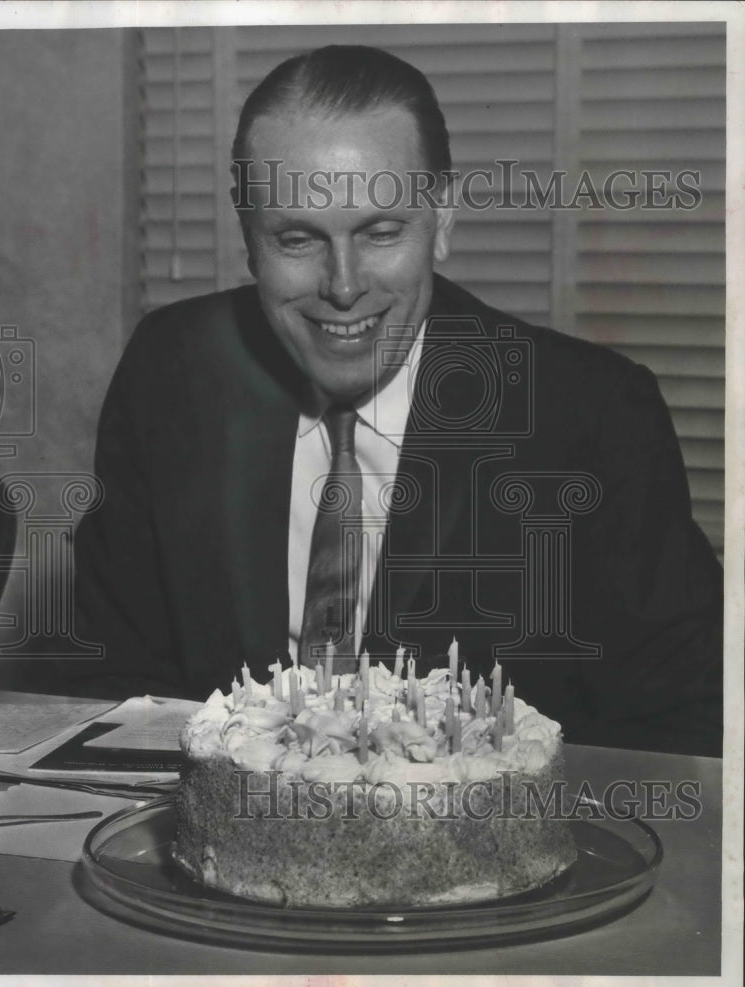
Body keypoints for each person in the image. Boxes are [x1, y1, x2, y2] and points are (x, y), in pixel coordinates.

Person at [71, 45, 722, 755]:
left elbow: (686, 728)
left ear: (441, 219)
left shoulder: (594, 417)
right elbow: (118, 692)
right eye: (297, 238)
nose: (345, 286)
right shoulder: (170, 374)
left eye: (381, 232)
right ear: (248, 237)